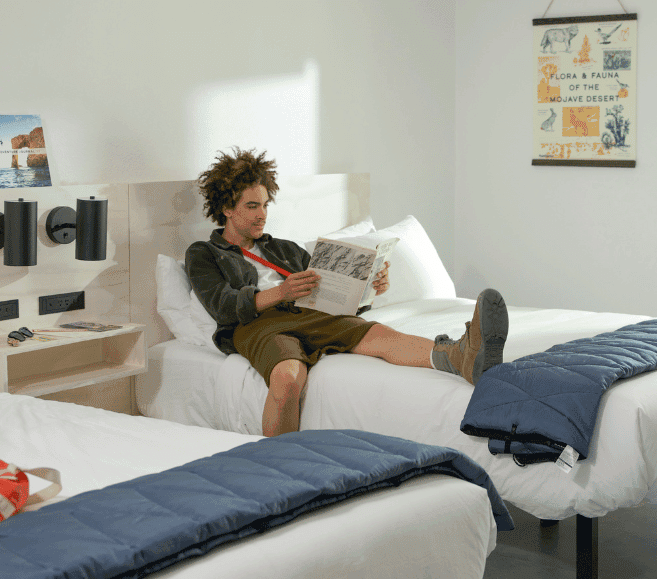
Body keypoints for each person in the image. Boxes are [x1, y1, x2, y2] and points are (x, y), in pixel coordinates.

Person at [186, 147, 509, 437]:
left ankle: (463, 357)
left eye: (265, 204)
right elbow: (223, 306)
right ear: (227, 208)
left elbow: (329, 294)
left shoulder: (284, 248)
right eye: (252, 206)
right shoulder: (204, 252)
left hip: (309, 315)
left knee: (382, 336)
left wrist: (368, 289)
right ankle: (279, 464)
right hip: (257, 325)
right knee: (287, 379)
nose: (262, 214)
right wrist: (282, 292)